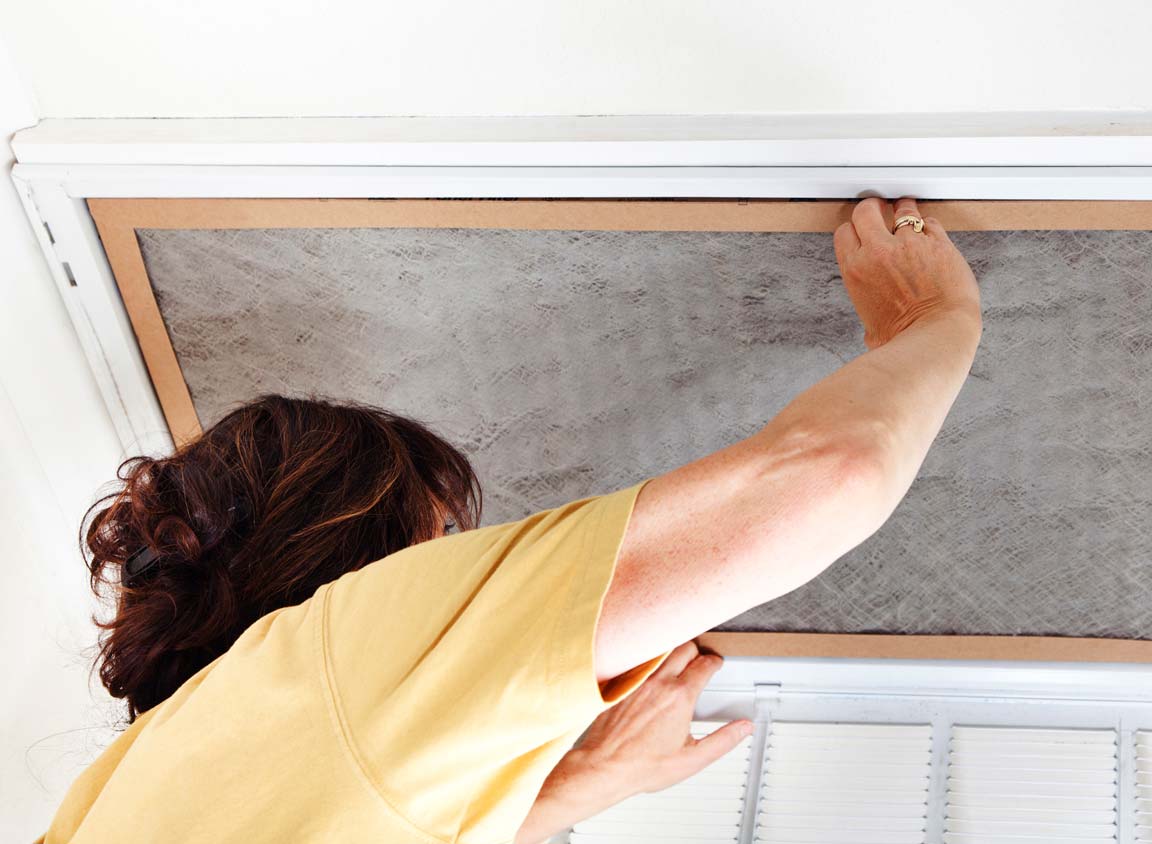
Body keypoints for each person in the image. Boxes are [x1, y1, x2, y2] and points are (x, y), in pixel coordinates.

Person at [40, 197, 982, 843]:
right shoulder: (341, 656)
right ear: (351, 558)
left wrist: (575, 785)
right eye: (442, 546)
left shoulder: (120, 798)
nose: (457, 572)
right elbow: (829, 474)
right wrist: (937, 320)